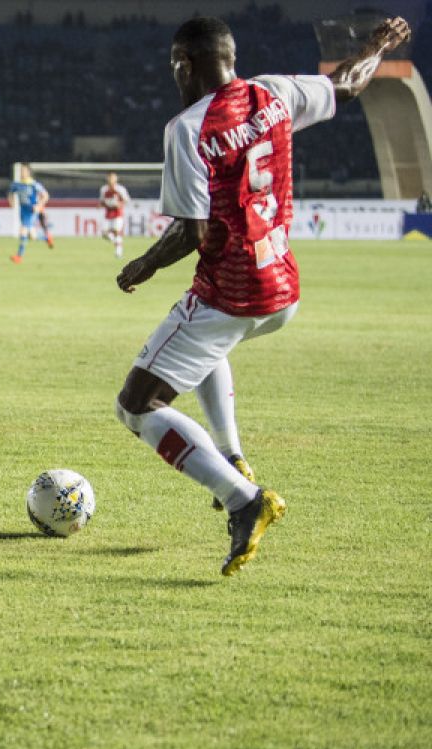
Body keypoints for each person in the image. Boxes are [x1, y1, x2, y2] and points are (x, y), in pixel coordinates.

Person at [114, 16, 410, 576]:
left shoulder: (187, 127)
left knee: (137, 405)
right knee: (203, 349)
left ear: (186, 63)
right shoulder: (273, 92)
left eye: (176, 65)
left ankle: (244, 500)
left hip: (231, 292)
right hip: (282, 288)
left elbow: (191, 231)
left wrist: (143, 263)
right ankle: (231, 454)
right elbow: (347, 84)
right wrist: (375, 44)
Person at [8, 163, 52, 263]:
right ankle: (46, 238)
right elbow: (10, 193)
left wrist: (39, 205)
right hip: (22, 211)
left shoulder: (34, 184)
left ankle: (19, 257)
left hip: (31, 211)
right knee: (33, 236)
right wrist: (12, 202)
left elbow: (45, 196)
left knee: (23, 231)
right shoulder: (17, 184)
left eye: (24, 171)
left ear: (28, 172)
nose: (22, 172)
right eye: (21, 171)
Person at [99, 171, 130, 258]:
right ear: (107, 179)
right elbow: (102, 201)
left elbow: (126, 200)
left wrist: (119, 204)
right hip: (108, 214)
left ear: (116, 179)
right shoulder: (104, 189)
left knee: (116, 231)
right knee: (104, 233)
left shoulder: (120, 189)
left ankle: (118, 252)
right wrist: (101, 204)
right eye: (110, 178)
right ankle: (117, 243)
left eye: (113, 178)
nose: (111, 180)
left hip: (118, 213)